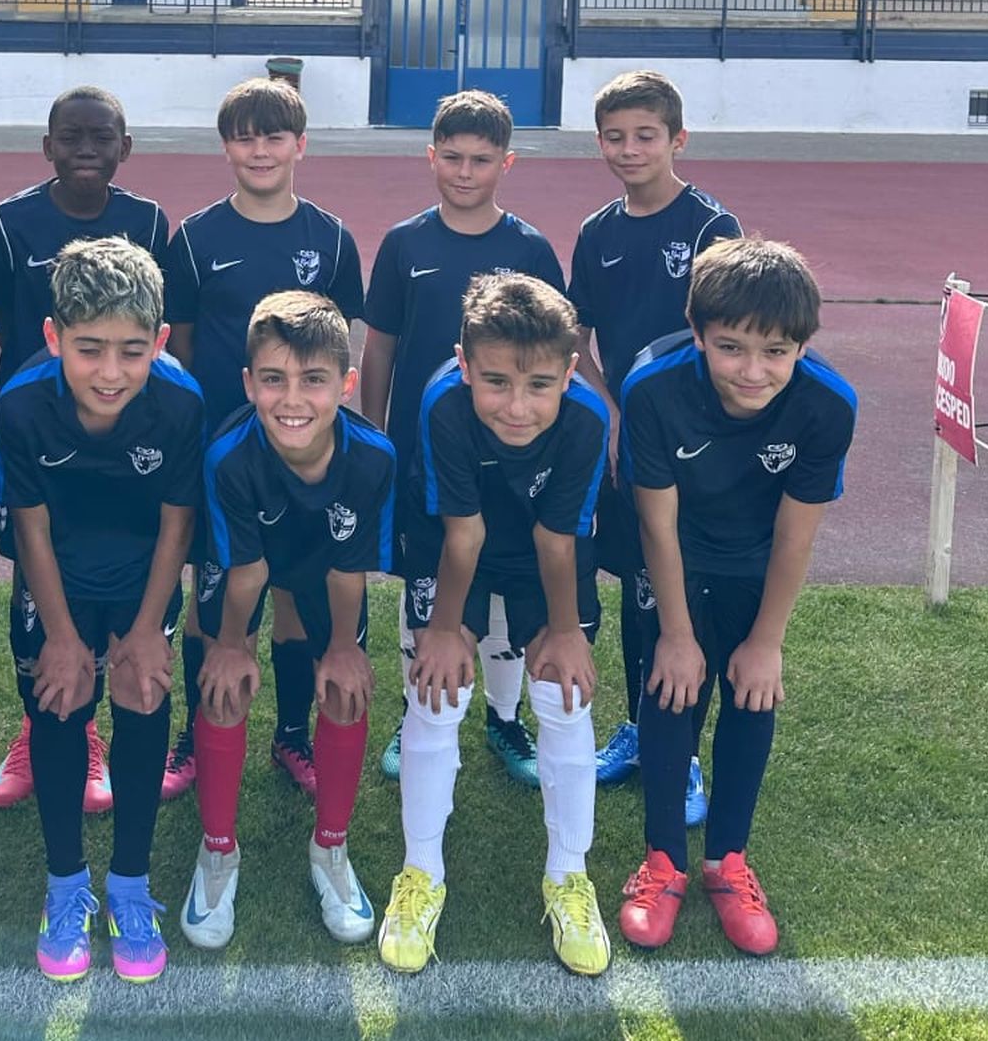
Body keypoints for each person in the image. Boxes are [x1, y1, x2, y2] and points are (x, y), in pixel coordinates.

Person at [616, 237, 855, 956]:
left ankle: (729, 861)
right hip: (670, 559)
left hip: (755, 564)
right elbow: (656, 525)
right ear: (697, 334)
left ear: (803, 346)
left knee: (753, 690)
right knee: (669, 692)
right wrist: (679, 634)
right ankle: (662, 861)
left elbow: (794, 537)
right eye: (731, 348)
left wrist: (768, 641)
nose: (753, 371)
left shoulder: (827, 405)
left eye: (776, 352)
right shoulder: (652, 388)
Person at [381, 273, 610, 977]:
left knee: (566, 693)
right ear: (462, 361)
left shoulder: (588, 418)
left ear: (572, 372)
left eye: (540, 384)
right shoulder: (441, 403)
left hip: (546, 548)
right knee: (438, 692)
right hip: (458, 545)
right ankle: (421, 872)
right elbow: (463, 533)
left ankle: (569, 875)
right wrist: (447, 630)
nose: (517, 406)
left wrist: (565, 631)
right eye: (496, 382)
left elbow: (557, 540)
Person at [0, 237, 203, 982]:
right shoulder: (20, 402)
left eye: (131, 350)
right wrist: (60, 634)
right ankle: (65, 886)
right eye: (88, 349)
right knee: (60, 704)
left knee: (143, 698)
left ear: (160, 342)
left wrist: (147, 630)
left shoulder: (180, 401)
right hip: (59, 575)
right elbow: (32, 523)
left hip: (143, 575)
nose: (110, 373)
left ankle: (132, 886)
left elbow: (178, 519)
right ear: (53, 338)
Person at [160, 78, 365, 803]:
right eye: (244, 137)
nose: (259, 150)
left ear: (300, 146)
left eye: (274, 136)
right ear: (226, 148)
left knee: (295, 591)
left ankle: (291, 734)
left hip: (307, 447)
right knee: (209, 589)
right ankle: (193, 734)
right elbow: (180, 347)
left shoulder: (331, 238)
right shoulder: (194, 237)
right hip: (223, 452)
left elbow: (345, 346)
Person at [360, 90, 566, 788]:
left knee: (504, 594)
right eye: (452, 157)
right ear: (430, 157)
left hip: (514, 459)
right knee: (425, 589)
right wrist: (378, 436)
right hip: (425, 457)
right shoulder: (404, 243)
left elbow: (552, 357)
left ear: (506, 163)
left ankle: (504, 720)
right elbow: (380, 348)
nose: (465, 171)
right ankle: (420, 708)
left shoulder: (529, 247)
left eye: (481, 159)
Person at [181, 291, 394, 950]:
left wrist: (343, 647)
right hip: (251, 555)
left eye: (314, 380)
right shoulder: (228, 457)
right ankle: (218, 852)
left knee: (345, 684)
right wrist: (231, 644)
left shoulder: (374, 457)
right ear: (249, 383)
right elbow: (244, 570)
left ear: (346, 383)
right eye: (273, 380)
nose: (292, 399)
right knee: (222, 683)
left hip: (323, 560)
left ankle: (330, 848)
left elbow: (346, 568)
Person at [0, 85, 169, 814]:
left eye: (102, 137)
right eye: (72, 136)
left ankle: (107, 730)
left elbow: (157, 327)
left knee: (121, 568)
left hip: (127, 439)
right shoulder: (7, 224)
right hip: (40, 439)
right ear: (47, 145)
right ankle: (46, 724)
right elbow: (2, 325)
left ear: (126, 147)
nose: (87, 149)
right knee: (35, 575)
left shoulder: (149, 221)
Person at [567, 70, 741, 824]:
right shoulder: (597, 232)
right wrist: (611, 406)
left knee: (682, 595)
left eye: (646, 136)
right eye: (615, 137)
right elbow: (578, 331)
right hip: (628, 440)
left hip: (689, 446)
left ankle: (686, 747)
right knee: (637, 590)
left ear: (678, 139)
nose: (629, 150)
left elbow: (731, 341)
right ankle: (641, 729)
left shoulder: (711, 229)